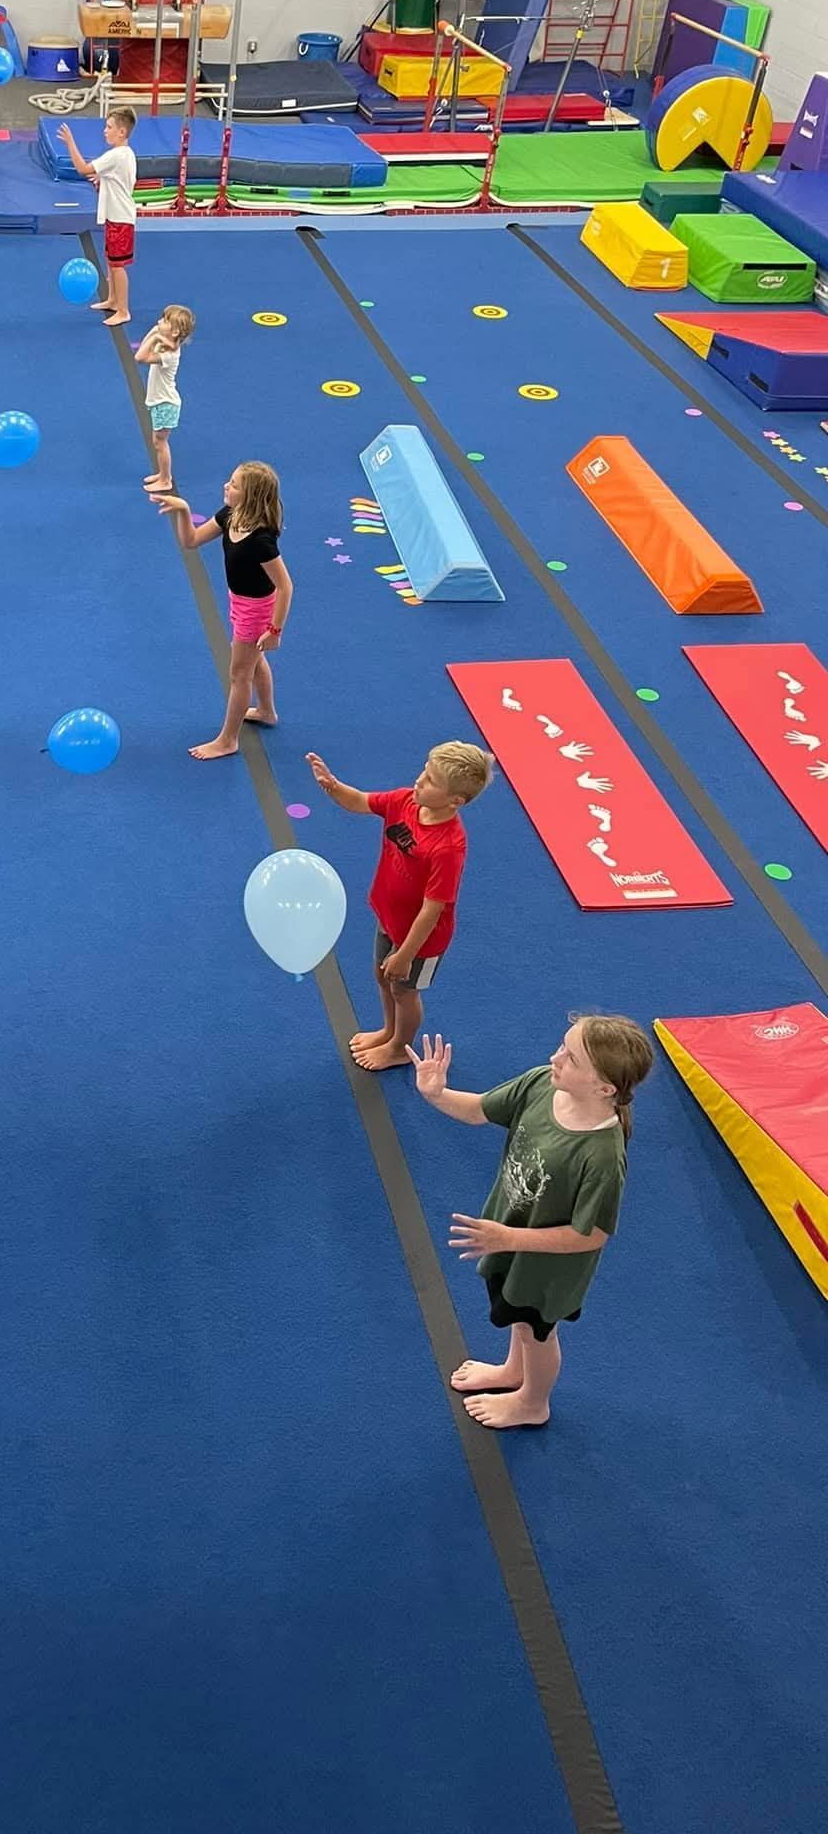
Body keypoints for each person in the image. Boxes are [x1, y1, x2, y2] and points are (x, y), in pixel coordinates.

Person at [408, 1015, 654, 1429]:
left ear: (604, 1087)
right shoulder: (542, 1084)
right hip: (509, 1238)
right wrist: (436, 1094)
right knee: (518, 1322)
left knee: (535, 1332)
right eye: (562, 1045)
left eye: (570, 1058)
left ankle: (532, 1402)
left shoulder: (602, 1156)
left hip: (546, 1267)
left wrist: (508, 1237)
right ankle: (512, 1372)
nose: (554, 1057)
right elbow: (477, 1110)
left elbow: (590, 1235)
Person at [304, 741, 492, 1072]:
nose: (420, 780)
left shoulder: (449, 846)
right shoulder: (406, 800)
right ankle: (389, 1031)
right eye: (425, 771)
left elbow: (433, 909)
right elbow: (362, 801)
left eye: (432, 781)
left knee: (404, 991)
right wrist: (334, 787)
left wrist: (406, 955)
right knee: (381, 977)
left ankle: (400, 1048)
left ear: (455, 801)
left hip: (421, 941)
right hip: (389, 917)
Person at [152, 462, 293, 760]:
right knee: (253, 661)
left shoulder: (261, 540)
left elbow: (285, 586)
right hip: (239, 601)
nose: (226, 487)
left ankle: (228, 740)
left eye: (234, 485)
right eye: (229, 481)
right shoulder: (230, 515)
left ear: (251, 496)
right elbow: (190, 541)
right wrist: (182, 509)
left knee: (239, 674)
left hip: (256, 609)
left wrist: (275, 630)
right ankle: (266, 711)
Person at [57, 107, 137, 327]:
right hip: (116, 216)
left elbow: (83, 169)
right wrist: (103, 181)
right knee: (111, 260)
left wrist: (70, 143)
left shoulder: (116, 155)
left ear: (121, 132)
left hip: (121, 218)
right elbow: (119, 180)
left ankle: (123, 309)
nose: (105, 131)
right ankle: (112, 299)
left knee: (118, 265)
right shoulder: (126, 154)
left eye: (109, 127)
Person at [137, 304, 195, 493]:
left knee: (159, 443)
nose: (159, 322)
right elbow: (144, 345)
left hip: (165, 404)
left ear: (175, 330)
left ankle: (166, 479)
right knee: (158, 442)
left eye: (164, 320)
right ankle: (163, 475)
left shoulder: (169, 354)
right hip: (161, 402)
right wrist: (156, 332)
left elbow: (140, 356)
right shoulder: (166, 346)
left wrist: (155, 334)